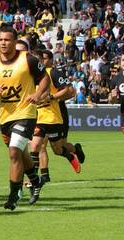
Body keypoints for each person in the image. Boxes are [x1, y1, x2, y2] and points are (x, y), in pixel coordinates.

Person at [0, 26, 50, 210]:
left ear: (14, 41)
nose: (3, 43)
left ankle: (14, 194)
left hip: (26, 112)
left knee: (13, 151)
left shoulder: (27, 59)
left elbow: (44, 78)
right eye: (1, 39)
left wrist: (37, 94)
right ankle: (35, 181)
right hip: (5, 116)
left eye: (7, 40)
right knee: (20, 153)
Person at [30, 49, 85, 184]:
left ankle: (74, 151)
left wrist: (53, 98)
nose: (40, 61)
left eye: (43, 58)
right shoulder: (32, 75)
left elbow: (71, 91)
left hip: (58, 111)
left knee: (59, 148)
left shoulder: (53, 72)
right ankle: (44, 175)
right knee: (39, 144)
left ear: (49, 60)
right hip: (41, 113)